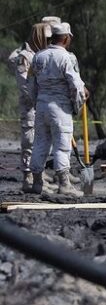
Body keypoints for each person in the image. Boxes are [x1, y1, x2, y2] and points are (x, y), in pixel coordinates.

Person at [28, 22, 87, 196]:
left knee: (39, 144)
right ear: (66, 38)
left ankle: (37, 183)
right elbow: (76, 87)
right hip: (60, 108)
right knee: (62, 147)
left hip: (41, 105)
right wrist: (76, 106)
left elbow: (31, 84)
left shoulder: (38, 56)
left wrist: (37, 102)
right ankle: (64, 185)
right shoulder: (66, 58)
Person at [7, 22, 52, 192]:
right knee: (30, 141)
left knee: (42, 142)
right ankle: (28, 177)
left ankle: (38, 174)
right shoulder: (24, 57)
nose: (48, 41)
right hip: (30, 107)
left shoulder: (40, 54)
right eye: (46, 38)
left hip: (41, 105)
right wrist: (41, 98)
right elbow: (25, 85)